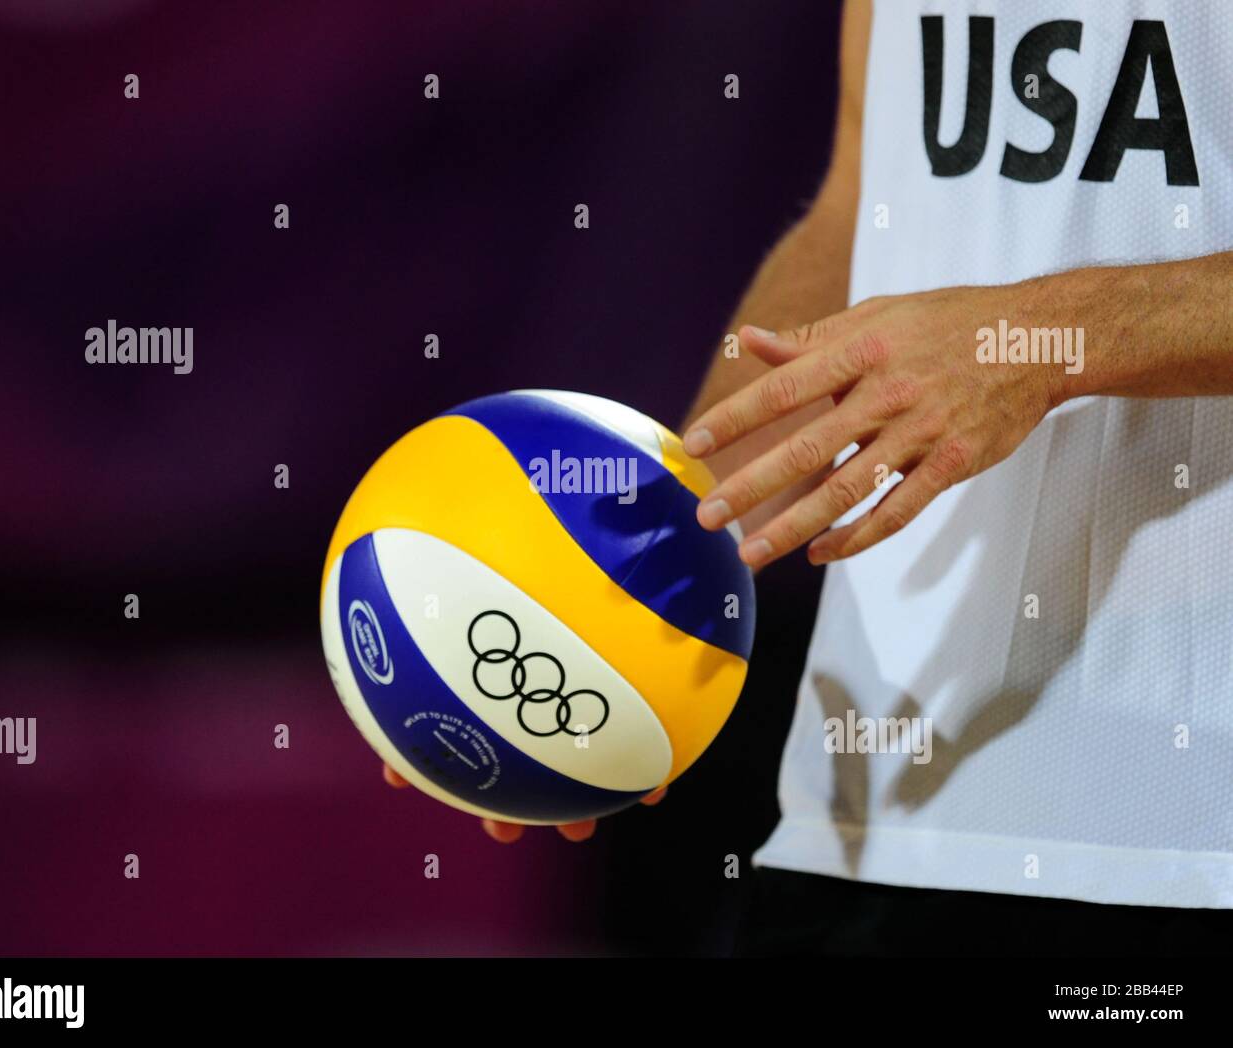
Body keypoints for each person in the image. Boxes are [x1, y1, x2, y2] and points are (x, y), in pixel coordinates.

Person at [389, 0, 1233, 955]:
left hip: (1184, 828)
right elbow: (860, 207)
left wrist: (1042, 344)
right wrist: (629, 602)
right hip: (871, 807)